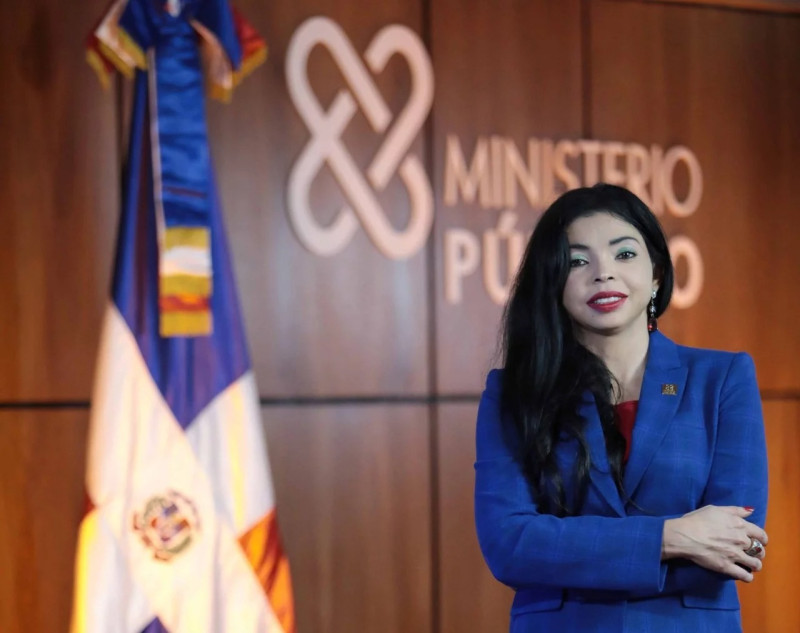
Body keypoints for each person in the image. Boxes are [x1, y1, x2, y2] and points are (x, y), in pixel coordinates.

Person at [474, 184, 768, 633]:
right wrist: (670, 538)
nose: (603, 274)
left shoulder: (722, 379)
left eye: (624, 254)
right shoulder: (513, 393)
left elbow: (737, 546)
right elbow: (510, 544)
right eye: (577, 261)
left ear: (656, 274)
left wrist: (572, 556)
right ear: (552, 282)